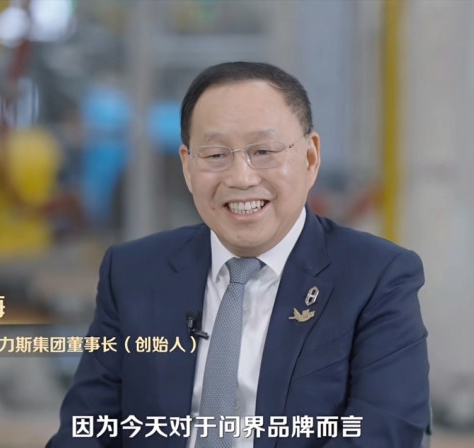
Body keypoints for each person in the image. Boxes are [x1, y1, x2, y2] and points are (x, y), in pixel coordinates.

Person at [47, 62, 430, 447]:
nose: (241, 178)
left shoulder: (376, 277)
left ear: (310, 158)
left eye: (263, 151)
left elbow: (385, 433)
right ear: (187, 166)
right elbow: (85, 428)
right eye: (215, 155)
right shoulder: (133, 273)